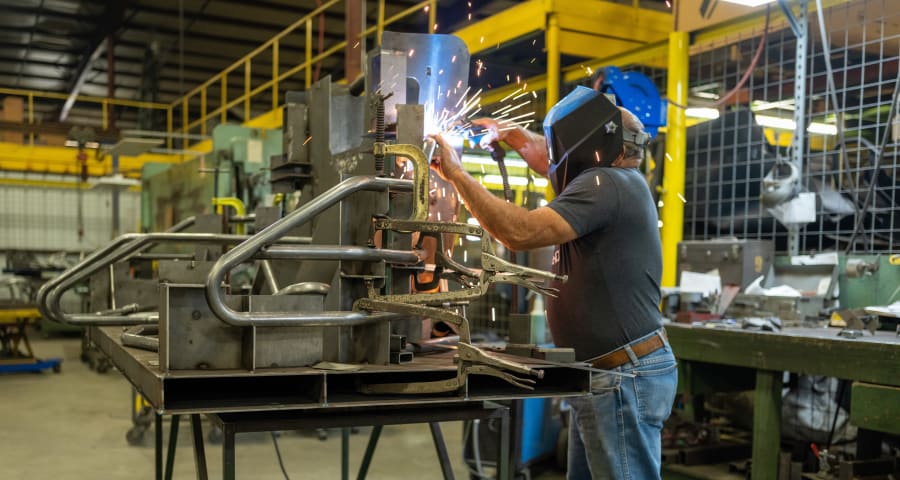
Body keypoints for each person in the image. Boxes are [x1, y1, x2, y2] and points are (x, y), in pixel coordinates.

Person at [429, 87, 677, 480]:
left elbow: (519, 232)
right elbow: (558, 163)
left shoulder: (608, 184)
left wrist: (457, 173)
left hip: (621, 380)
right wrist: (520, 137)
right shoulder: (608, 180)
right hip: (603, 377)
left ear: (596, 147)